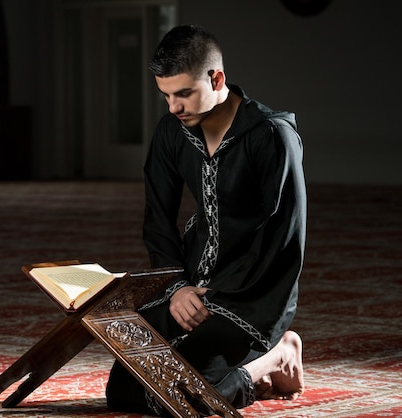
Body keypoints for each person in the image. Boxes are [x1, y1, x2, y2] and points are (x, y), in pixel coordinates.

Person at [105, 24, 307, 415]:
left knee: (185, 399)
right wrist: (178, 286)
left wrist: (215, 296)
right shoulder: (171, 132)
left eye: (184, 94)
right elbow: (158, 221)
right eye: (165, 95)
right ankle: (247, 360)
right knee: (123, 390)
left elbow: (284, 238)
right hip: (188, 289)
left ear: (217, 79)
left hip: (253, 296)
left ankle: (275, 358)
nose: (173, 107)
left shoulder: (272, 136)